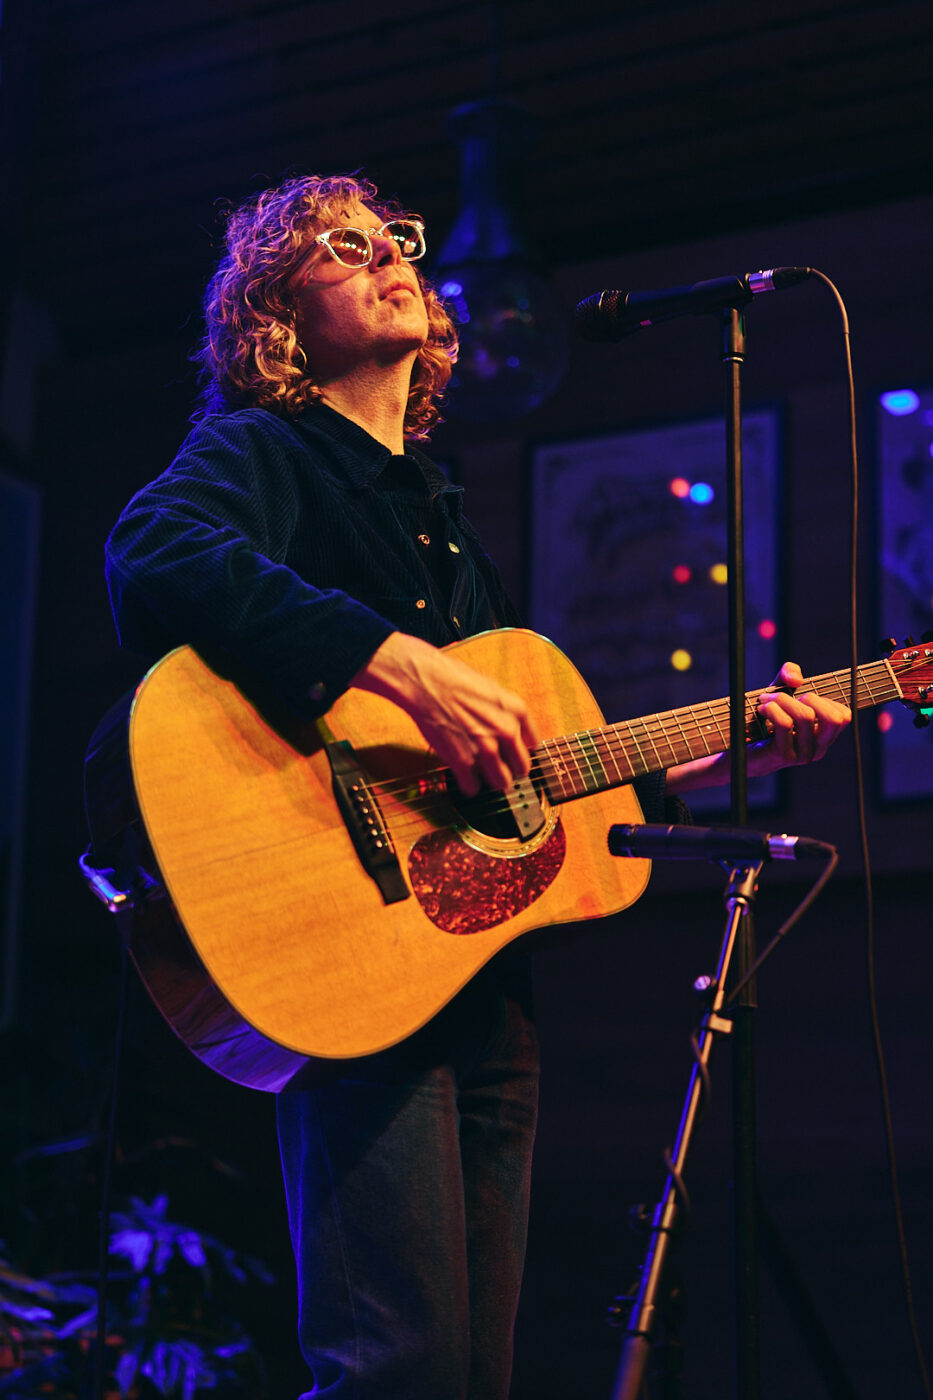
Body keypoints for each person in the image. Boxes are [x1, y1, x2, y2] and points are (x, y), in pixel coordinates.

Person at [104, 173, 851, 1399]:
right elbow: (154, 548)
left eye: (396, 240)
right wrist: (395, 663)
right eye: (343, 247)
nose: (391, 257)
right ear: (276, 314)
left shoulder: (444, 522)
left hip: (478, 980)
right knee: (396, 1368)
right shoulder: (264, 452)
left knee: (469, 1372)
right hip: (349, 951)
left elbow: (536, 780)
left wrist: (731, 752)